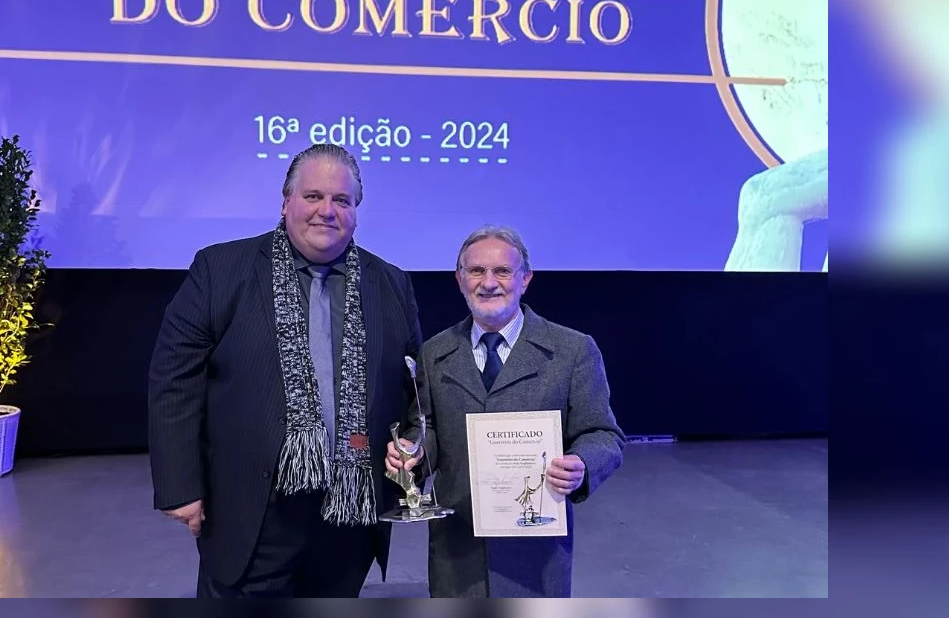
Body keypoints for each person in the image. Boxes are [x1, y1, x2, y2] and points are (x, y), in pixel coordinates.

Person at [148, 143, 423, 597]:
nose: (326, 211)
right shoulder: (220, 269)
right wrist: (180, 486)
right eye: (313, 196)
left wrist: (413, 447)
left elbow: (415, 387)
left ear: (356, 211)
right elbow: (173, 382)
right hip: (251, 511)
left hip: (349, 513)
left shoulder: (391, 283)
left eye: (342, 200)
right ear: (285, 202)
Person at [386, 225, 626, 597]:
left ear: (525, 279)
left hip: (537, 547)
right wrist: (413, 451)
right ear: (460, 279)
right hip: (458, 542)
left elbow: (604, 435)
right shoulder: (434, 354)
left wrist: (581, 464)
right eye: (476, 271)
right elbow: (427, 426)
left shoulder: (572, 350)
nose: (489, 282)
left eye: (503, 271)